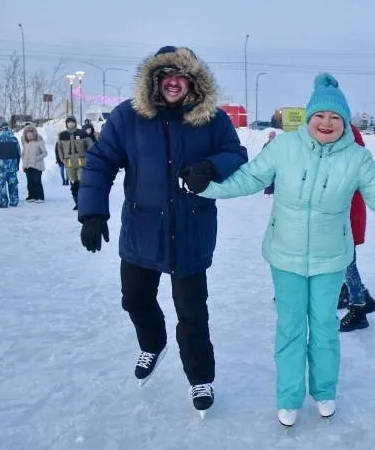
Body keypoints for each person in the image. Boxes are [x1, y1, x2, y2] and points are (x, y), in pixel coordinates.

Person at [197, 73, 375, 427]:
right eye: (320, 116)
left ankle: (325, 391)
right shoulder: (284, 147)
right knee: (290, 327)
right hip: (285, 256)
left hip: (331, 259)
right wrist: (205, 187)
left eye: (335, 118)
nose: (326, 123)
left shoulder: (357, 158)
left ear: (345, 123)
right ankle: (288, 396)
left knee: (325, 327)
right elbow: (250, 178)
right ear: (309, 117)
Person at [77, 45, 248, 416]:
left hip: (191, 229)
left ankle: (200, 376)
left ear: (192, 81)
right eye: (165, 75)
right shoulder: (128, 117)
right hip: (142, 228)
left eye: (181, 75)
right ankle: (153, 342)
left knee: (192, 311)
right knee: (135, 298)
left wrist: (210, 166)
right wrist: (92, 213)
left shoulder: (212, 119)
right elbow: (101, 160)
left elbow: (236, 155)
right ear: (154, 80)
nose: (173, 82)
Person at [338, 123, 375, 332]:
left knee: (347, 263)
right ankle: (357, 296)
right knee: (343, 261)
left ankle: (358, 308)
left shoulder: (352, 160)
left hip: (346, 218)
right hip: (345, 217)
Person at [57, 116, 90, 210]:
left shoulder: (82, 133)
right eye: (69, 122)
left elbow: (90, 145)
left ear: (75, 123)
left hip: (81, 162)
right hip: (69, 163)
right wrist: (62, 159)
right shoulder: (62, 135)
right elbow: (59, 148)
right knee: (73, 183)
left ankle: (83, 202)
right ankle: (77, 202)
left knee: (81, 182)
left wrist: (89, 158)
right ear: (66, 124)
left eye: (72, 122)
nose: (70, 124)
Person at [0, 123, 21, 208]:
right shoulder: (14, 139)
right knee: (13, 183)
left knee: (1, 184)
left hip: (1, 166)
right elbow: (19, 153)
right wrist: (17, 164)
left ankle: (3, 203)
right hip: (12, 165)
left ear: (1, 129)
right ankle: (14, 201)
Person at [21, 125, 48, 203]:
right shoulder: (26, 143)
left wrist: (37, 158)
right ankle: (32, 196)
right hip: (27, 166)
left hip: (37, 166)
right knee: (30, 182)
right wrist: (23, 162)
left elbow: (45, 153)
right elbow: (23, 154)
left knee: (37, 181)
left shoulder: (39, 141)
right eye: (28, 134)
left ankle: (40, 197)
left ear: (34, 134)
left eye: (31, 134)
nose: (29, 135)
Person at [262, 130, 278, 195]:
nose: (271, 138)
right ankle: (267, 191)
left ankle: (273, 191)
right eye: (270, 136)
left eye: (273, 136)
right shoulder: (266, 145)